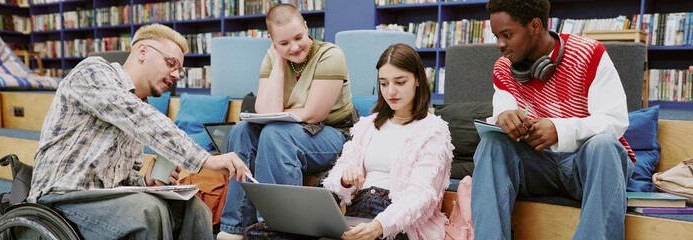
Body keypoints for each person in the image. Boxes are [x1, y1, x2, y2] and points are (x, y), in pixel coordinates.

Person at [27, 24, 250, 239]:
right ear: (143, 51)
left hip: (105, 200)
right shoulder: (92, 71)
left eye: (179, 71)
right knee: (149, 211)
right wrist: (205, 160)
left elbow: (124, 181)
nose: (175, 75)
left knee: (195, 209)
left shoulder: (140, 106)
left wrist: (146, 181)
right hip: (60, 199)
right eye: (171, 63)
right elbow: (137, 116)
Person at [244, 43, 453, 240]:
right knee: (257, 233)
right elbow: (338, 175)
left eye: (400, 82)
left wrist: (379, 226)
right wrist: (345, 178)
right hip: (356, 214)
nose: (391, 91)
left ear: (417, 79)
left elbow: (420, 197)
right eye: (384, 83)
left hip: (397, 223)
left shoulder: (433, 130)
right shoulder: (368, 125)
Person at [471, 0, 636, 239]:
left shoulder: (589, 54)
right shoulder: (504, 68)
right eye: (497, 36)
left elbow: (615, 121)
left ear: (535, 25)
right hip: (539, 166)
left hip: (589, 166)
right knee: (492, 144)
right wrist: (504, 117)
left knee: (603, 145)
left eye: (507, 35)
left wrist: (559, 129)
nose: (500, 44)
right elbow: (502, 110)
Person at [217, 4, 358, 239]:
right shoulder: (273, 59)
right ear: (272, 41)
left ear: (305, 26)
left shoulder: (330, 54)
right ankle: (235, 227)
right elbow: (266, 110)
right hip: (293, 130)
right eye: (283, 43)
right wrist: (280, 63)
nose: (294, 47)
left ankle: (277, 229)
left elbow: (315, 113)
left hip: (335, 133)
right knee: (242, 131)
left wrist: (282, 113)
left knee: (275, 134)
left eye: (298, 38)